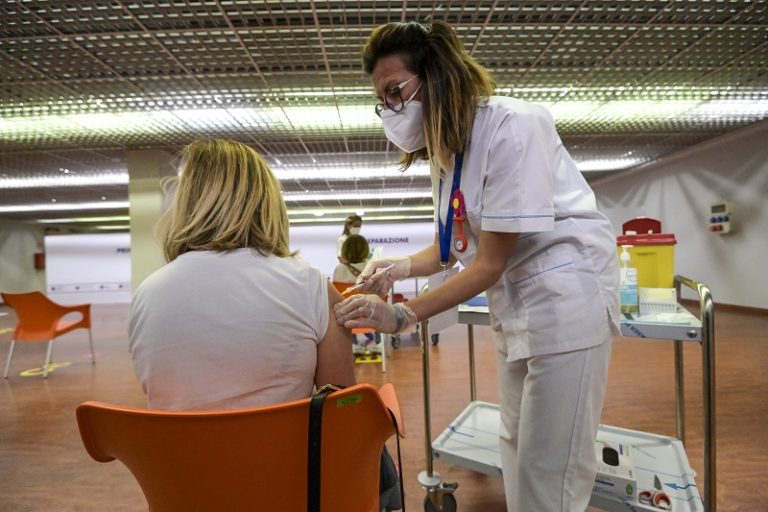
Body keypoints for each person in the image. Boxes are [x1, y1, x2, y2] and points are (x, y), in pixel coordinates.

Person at [335, 20, 620, 512]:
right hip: (517, 308)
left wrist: (403, 315)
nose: (390, 109)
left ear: (436, 77)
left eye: (395, 92)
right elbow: (450, 248)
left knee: (550, 467)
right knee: (517, 449)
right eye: (382, 100)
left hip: (566, 302)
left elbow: (489, 263)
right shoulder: (448, 155)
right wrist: (395, 268)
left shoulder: (512, 125)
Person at [128, 139, 355, 411]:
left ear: (185, 203)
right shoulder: (312, 286)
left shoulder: (147, 294)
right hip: (281, 440)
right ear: (267, 202)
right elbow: (343, 409)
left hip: (176, 441)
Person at [333, 234, 378, 354]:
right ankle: (372, 341)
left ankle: (353, 344)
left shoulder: (339, 269)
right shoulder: (373, 268)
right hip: (372, 317)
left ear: (345, 250)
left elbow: (336, 299)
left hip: (346, 318)